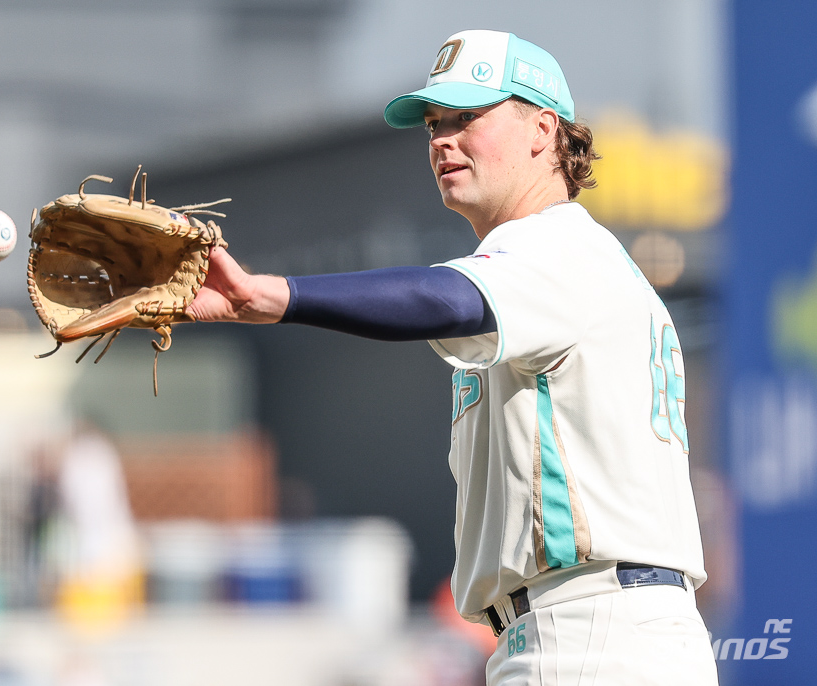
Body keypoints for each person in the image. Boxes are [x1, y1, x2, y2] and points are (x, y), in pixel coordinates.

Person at [187, 29, 718, 686]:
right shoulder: (571, 261)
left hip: (590, 630)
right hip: (595, 628)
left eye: (467, 117)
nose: (442, 139)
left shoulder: (558, 247)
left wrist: (273, 296)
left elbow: (445, 299)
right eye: (435, 124)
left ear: (543, 130)